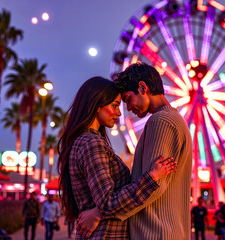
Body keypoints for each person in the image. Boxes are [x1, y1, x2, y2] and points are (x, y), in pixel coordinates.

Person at [76, 63, 193, 239]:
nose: (128, 109)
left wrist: (99, 212)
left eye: (128, 99)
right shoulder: (175, 120)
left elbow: (155, 186)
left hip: (154, 231)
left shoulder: (161, 122)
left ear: (142, 87)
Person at [57, 76, 178, 239]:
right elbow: (108, 203)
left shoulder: (82, 141)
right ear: (96, 105)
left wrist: (96, 213)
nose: (119, 112)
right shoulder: (91, 143)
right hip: (107, 234)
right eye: (114, 106)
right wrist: (153, 177)